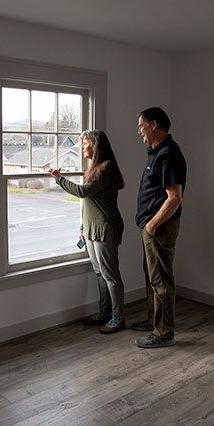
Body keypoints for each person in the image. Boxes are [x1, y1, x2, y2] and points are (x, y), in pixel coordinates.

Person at [48, 130, 126, 334]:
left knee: (110, 275)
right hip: (91, 228)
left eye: (85, 143)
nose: (82, 147)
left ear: (96, 145)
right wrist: (82, 227)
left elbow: (83, 192)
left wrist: (59, 179)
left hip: (105, 227)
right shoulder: (94, 167)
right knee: (99, 273)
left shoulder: (107, 167)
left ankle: (118, 317)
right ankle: (105, 312)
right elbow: (87, 203)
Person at [132, 107, 186, 348]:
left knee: (161, 280)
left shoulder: (167, 155)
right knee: (151, 276)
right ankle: (153, 320)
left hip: (160, 228)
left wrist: (152, 224)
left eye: (141, 125)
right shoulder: (156, 152)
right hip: (151, 227)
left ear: (154, 125)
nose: (139, 130)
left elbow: (174, 197)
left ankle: (163, 333)